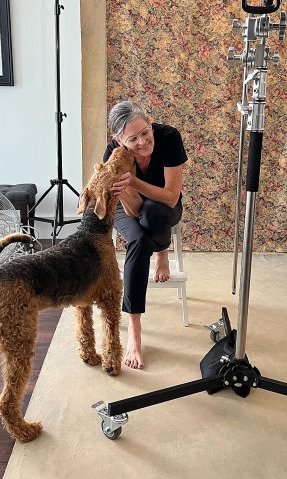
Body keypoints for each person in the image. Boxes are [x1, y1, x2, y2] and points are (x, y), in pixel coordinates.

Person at [103, 100, 187, 370]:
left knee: (154, 215)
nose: (142, 141)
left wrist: (134, 181)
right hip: (126, 209)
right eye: (132, 138)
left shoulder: (169, 137)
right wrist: (126, 188)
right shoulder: (113, 155)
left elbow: (171, 198)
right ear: (118, 140)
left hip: (164, 208)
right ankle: (134, 331)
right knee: (138, 240)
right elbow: (134, 209)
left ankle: (162, 250)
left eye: (145, 132)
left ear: (150, 123)